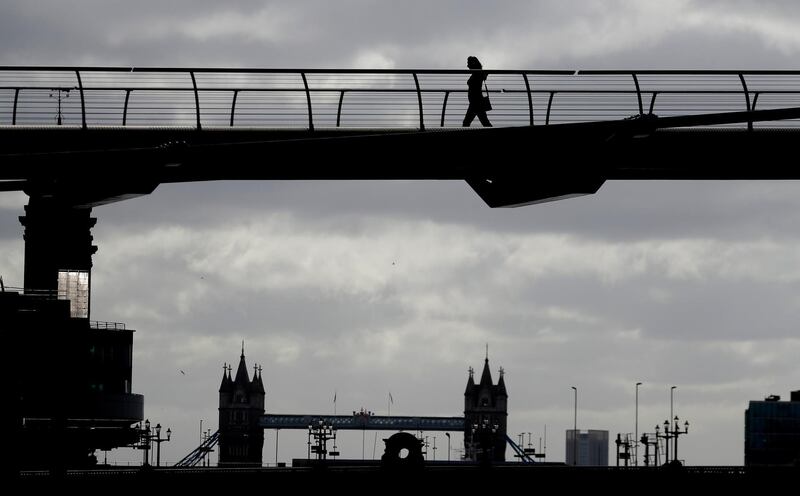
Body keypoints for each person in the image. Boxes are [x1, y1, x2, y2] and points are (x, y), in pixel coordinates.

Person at [463, 56, 492, 127]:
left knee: (466, 122)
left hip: (476, 102)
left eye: (469, 63)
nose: (467, 66)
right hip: (476, 101)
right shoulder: (477, 73)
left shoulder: (477, 74)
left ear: (473, 64)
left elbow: (483, 76)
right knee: (485, 122)